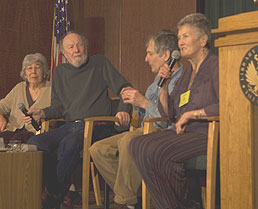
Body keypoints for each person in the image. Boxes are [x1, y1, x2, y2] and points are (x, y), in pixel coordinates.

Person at [26, 32, 132, 209]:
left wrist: (123, 111)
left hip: (96, 125)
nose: (76, 50)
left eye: (79, 45)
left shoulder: (100, 63)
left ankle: (52, 199)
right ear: (64, 54)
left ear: (86, 47)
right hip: (69, 126)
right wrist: (42, 113)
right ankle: (54, 190)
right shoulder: (59, 72)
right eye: (71, 47)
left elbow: (125, 89)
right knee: (34, 143)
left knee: (70, 143)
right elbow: (59, 107)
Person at [129, 13, 219, 209]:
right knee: (136, 144)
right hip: (179, 133)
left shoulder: (216, 66)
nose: (180, 42)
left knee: (158, 151)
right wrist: (164, 85)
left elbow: (227, 104)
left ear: (203, 40)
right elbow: (168, 113)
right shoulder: (186, 72)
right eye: (179, 37)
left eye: (185, 36)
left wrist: (192, 114)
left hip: (205, 134)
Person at [89, 30, 183, 209]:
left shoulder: (183, 80)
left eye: (150, 53)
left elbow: (169, 118)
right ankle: (135, 197)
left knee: (128, 141)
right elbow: (142, 118)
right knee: (98, 149)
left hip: (165, 133)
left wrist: (144, 102)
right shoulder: (156, 81)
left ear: (166, 55)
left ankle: (125, 201)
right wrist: (131, 108)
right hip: (144, 130)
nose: (146, 59)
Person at [0, 53, 51, 144]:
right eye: (29, 68)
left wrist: (43, 117)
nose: (33, 72)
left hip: (36, 133)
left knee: (18, 140)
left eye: (37, 67)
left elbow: (59, 111)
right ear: (25, 74)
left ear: (44, 71)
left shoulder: (52, 89)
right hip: (13, 130)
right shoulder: (19, 88)